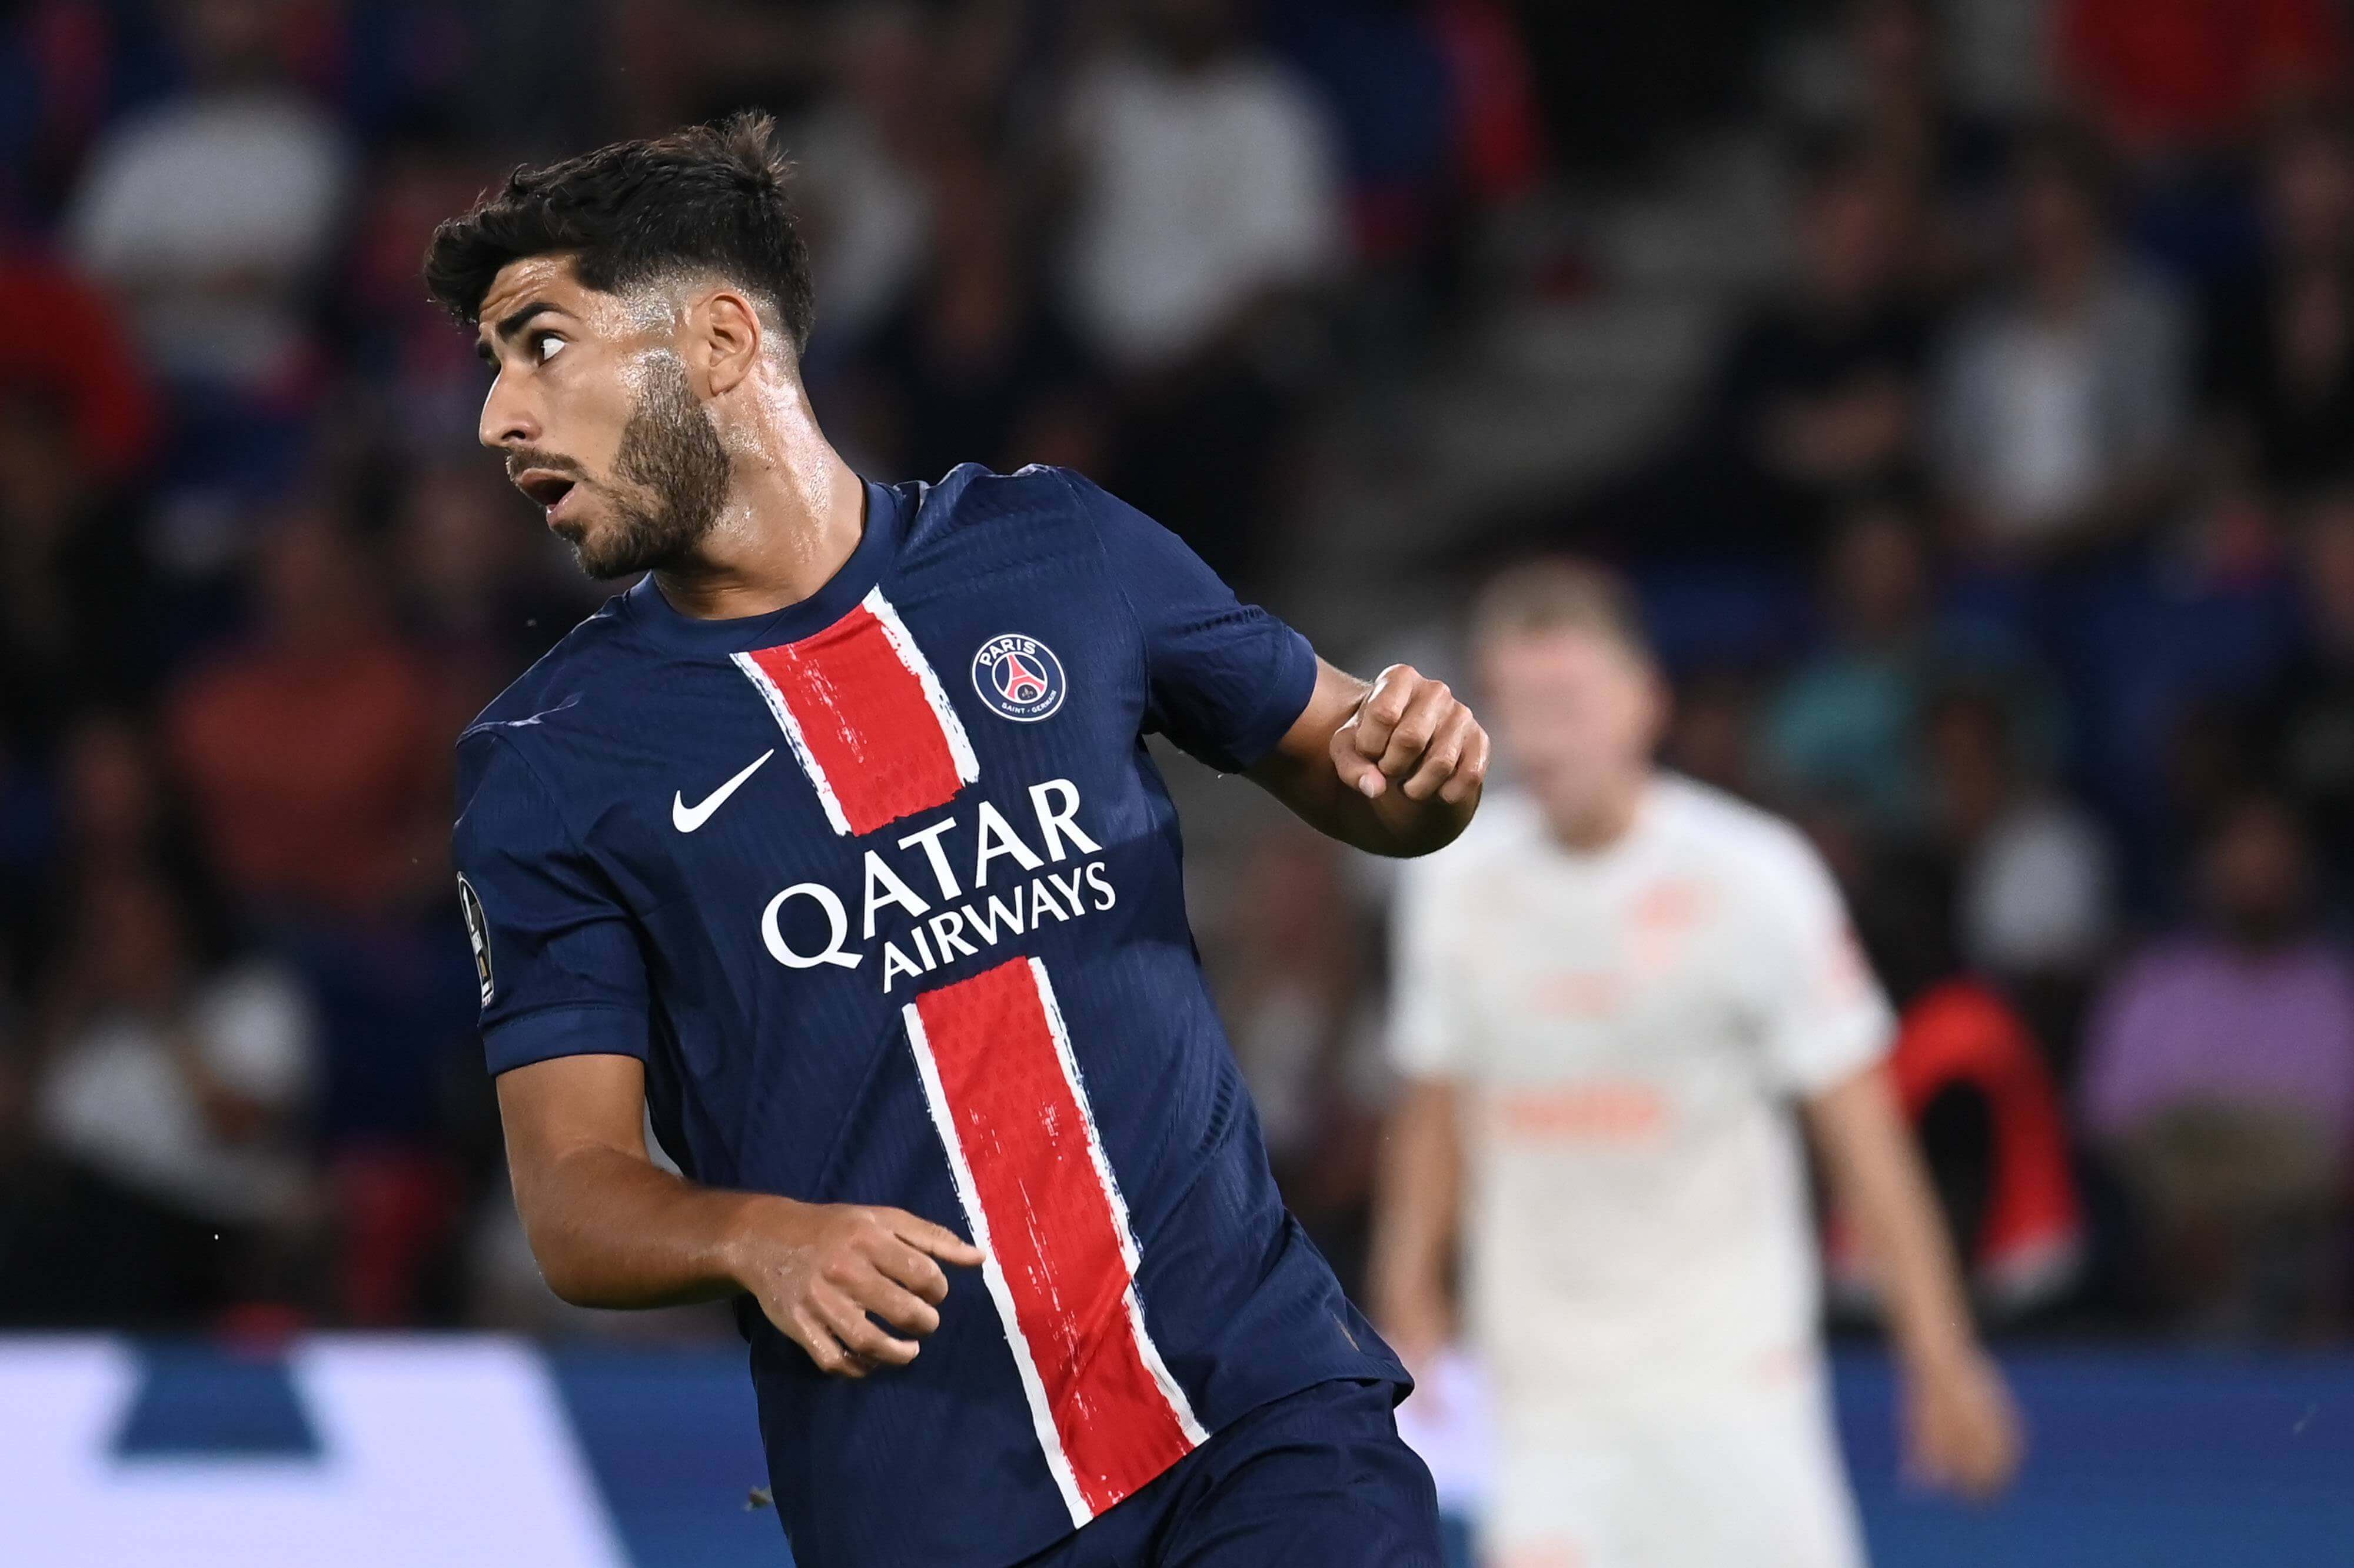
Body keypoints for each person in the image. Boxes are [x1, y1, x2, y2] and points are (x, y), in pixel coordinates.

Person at [423, 115, 1485, 1568]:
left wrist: (1426, 771)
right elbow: (573, 1195)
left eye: (539, 342)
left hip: (1258, 1409)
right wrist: (754, 1236)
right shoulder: (547, 763)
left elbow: (1362, 777)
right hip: (930, 1506)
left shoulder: (1062, 551)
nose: (497, 417)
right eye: (492, 364)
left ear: (722, 340)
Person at [1371, 560, 2020, 1568]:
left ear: (1645, 700)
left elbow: (1863, 1136)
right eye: (1517, 704)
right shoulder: (1453, 888)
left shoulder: (1758, 879)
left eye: (1569, 701)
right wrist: (1408, 1297)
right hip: (1547, 1403)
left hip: (1736, 1386)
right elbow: (1434, 1110)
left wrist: (1941, 1355)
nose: (1543, 735)